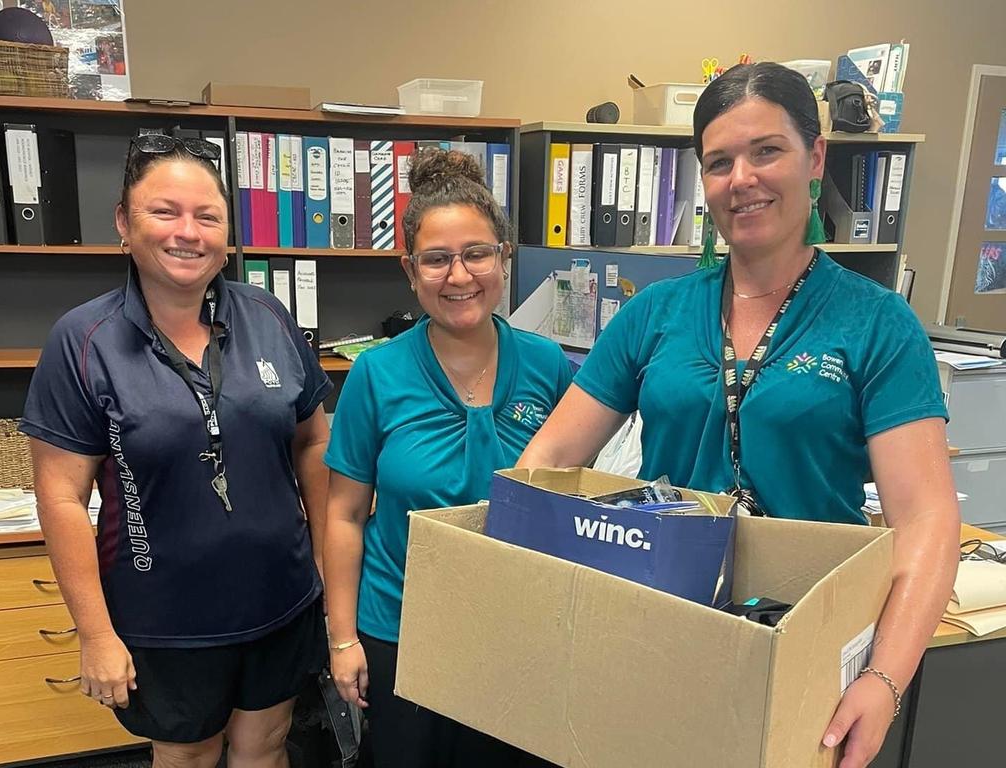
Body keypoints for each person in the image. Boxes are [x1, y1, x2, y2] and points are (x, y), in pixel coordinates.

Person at [518, 62, 960, 768]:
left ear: (815, 158)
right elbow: (543, 466)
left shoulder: (877, 323)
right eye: (719, 162)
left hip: (806, 634)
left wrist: (883, 677)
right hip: (663, 627)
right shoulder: (654, 314)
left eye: (767, 151)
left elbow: (928, 519)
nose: (742, 179)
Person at [20, 133, 332, 768]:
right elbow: (60, 495)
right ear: (124, 225)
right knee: (187, 757)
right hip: (165, 619)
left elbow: (314, 441)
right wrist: (95, 634)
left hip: (281, 600)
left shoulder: (268, 316)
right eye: (164, 212)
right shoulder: (84, 340)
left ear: (226, 232)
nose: (187, 232)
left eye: (207, 216)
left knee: (266, 747)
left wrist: (327, 571)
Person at [324, 149, 573, 768]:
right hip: (404, 629)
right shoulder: (376, 374)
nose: (458, 275)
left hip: (521, 628)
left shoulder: (547, 366)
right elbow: (344, 516)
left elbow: (571, 499)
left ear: (504, 258)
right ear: (410, 270)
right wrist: (342, 638)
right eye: (436, 259)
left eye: (477, 253)